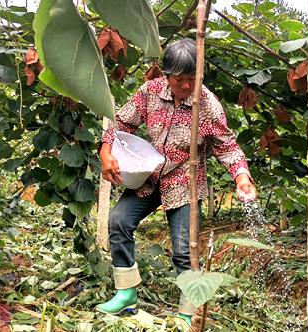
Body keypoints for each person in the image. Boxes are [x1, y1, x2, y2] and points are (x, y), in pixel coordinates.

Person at [97, 38, 257, 325]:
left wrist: (241, 176)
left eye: (192, 80)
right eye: (179, 79)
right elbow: (121, 123)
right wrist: (105, 150)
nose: (185, 86)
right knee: (119, 221)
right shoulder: (151, 92)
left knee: (185, 249)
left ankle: (187, 315)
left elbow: (226, 146)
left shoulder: (207, 105)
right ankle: (126, 294)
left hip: (185, 181)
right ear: (167, 75)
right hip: (150, 175)